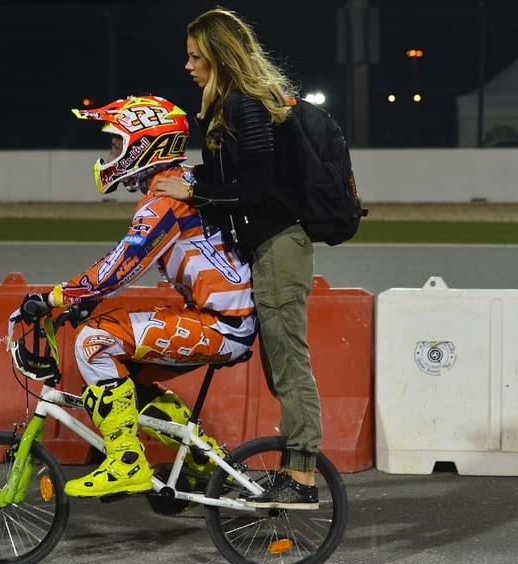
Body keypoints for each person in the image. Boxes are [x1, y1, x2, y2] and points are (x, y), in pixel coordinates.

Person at [19, 95, 256, 498]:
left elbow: (121, 266)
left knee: (95, 342)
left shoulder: (166, 200)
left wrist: (56, 296)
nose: (110, 154)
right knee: (130, 381)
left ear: (146, 147)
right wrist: (87, 299)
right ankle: (204, 464)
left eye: (116, 144)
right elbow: (128, 266)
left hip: (222, 325)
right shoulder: (183, 185)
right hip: (223, 319)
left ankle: (126, 462)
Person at [154, 7, 322, 510]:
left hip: (279, 251)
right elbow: (232, 181)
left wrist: (192, 192)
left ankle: (303, 480)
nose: (188, 65)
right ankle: (296, 472)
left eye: (194, 55)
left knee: (290, 367)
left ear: (219, 55)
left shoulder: (245, 105)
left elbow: (251, 190)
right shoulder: (231, 104)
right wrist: (187, 181)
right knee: (280, 368)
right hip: (266, 251)